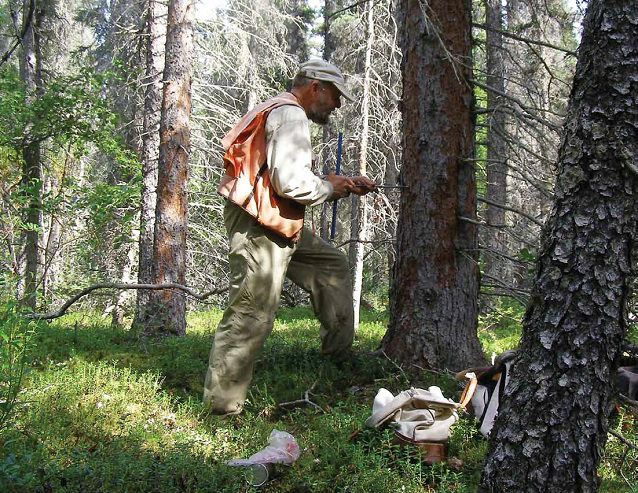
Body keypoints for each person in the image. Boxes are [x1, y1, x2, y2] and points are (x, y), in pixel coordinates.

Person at [203, 59, 376, 416]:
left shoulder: (277, 109)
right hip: (260, 224)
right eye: (334, 96)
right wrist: (329, 187)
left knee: (331, 266)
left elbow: (279, 175)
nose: (337, 105)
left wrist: (335, 183)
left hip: (273, 220)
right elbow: (290, 183)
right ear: (315, 87)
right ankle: (221, 412)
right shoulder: (291, 114)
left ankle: (337, 359)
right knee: (251, 313)